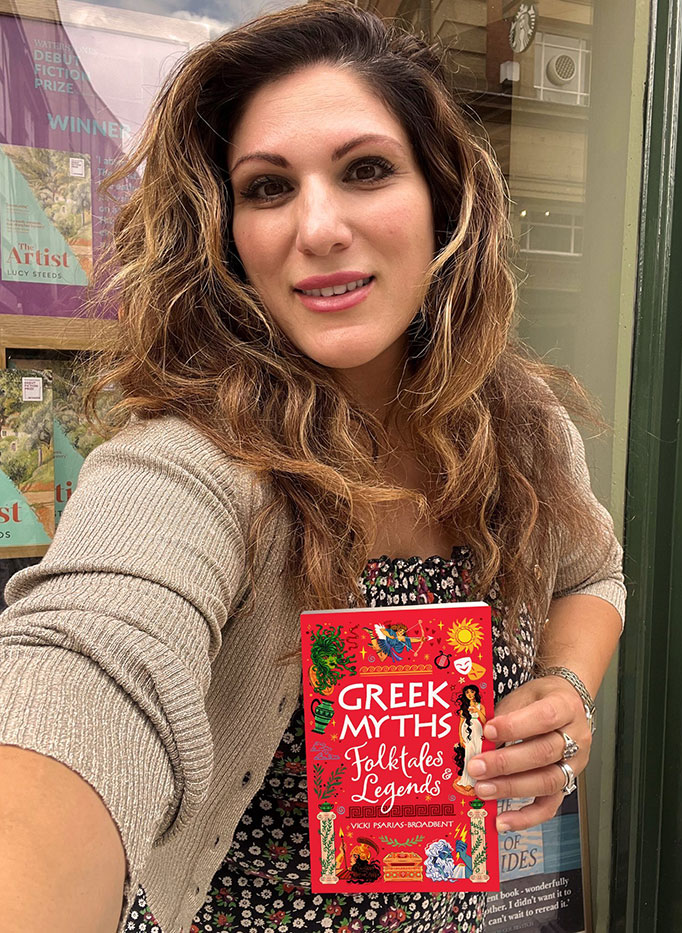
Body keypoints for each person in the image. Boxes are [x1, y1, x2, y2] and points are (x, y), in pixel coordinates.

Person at [0, 3, 626, 933]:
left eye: (366, 170)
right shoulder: (191, 459)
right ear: (227, 233)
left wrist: (568, 692)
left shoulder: (522, 426)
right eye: (267, 188)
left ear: (445, 200)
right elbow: (93, 662)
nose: (318, 227)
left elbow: (593, 572)